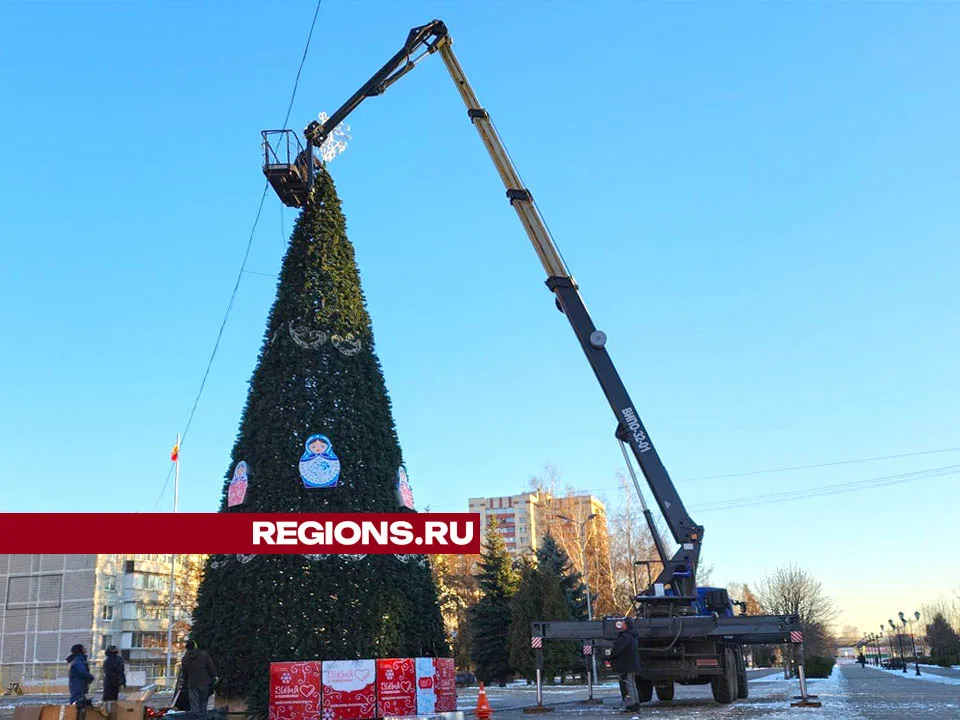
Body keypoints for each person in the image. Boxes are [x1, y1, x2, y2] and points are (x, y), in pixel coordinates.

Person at [609, 618, 641, 712]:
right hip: (630, 664)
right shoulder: (632, 636)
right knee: (631, 683)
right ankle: (635, 703)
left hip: (625, 664)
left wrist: (610, 657)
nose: (620, 624)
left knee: (627, 685)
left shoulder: (625, 637)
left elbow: (617, 650)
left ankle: (631, 704)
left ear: (626, 625)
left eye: (623, 623)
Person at [180, 640, 218, 718]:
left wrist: (186, 684)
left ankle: (196, 718)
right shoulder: (204, 654)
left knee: (194, 706)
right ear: (195, 646)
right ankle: (203, 718)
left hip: (192, 684)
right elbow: (211, 667)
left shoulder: (185, 659)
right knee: (203, 703)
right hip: (204, 682)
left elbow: (184, 674)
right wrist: (215, 676)